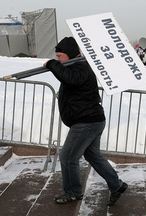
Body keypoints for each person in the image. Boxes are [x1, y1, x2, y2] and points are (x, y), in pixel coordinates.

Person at [43, 37, 128, 205]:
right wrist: (57, 65)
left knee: (68, 156)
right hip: (90, 120)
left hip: (86, 122)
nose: (58, 59)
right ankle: (116, 185)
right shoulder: (74, 66)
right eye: (57, 56)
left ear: (70, 55)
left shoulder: (80, 66)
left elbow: (70, 79)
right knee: (93, 156)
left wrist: (53, 64)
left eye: (60, 56)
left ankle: (73, 192)